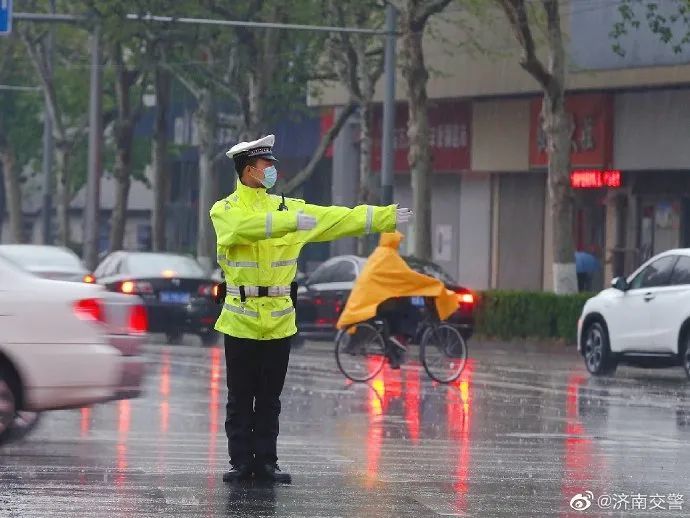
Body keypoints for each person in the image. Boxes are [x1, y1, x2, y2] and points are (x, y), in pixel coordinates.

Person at [210, 134, 413, 484]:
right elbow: (243, 230)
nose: (273, 171)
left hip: (279, 322)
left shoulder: (289, 207)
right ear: (249, 170)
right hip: (239, 321)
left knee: (270, 399)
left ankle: (267, 462)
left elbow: (338, 219)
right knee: (240, 397)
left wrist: (384, 218)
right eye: (266, 166)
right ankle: (241, 462)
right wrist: (287, 223)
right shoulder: (224, 210)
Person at [336, 231, 459, 367]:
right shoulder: (389, 256)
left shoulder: (377, 255)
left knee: (397, 311)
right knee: (413, 312)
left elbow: (398, 277)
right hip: (378, 303)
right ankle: (400, 338)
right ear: (393, 242)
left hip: (370, 301)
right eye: (398, 242)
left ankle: (394, 351)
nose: (399, 245)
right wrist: (431, 284)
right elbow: (407, 276)